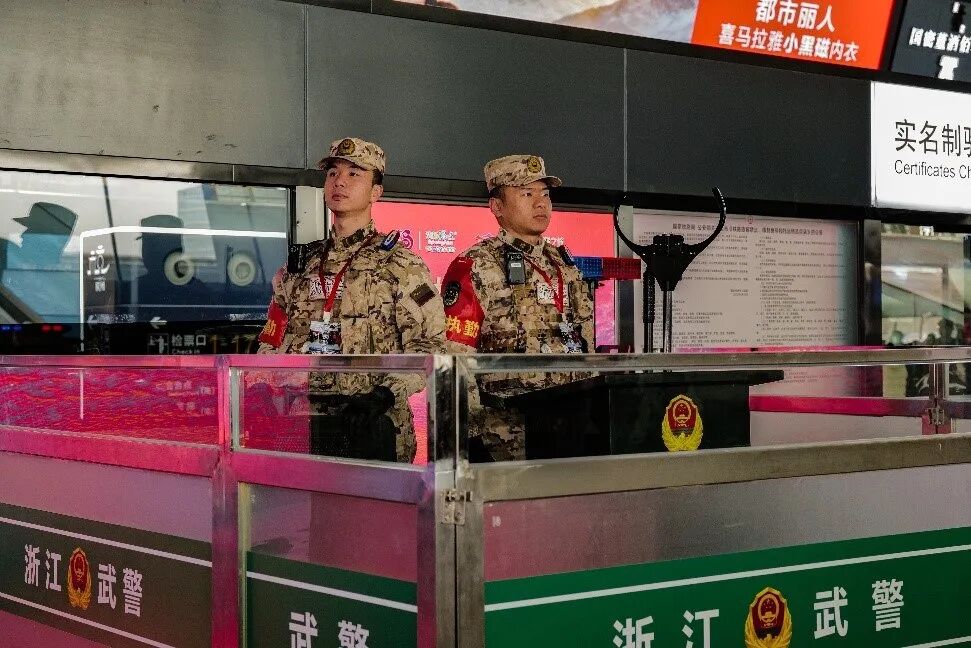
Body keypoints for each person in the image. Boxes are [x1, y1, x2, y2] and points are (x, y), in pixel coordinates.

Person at [257, 137, 446, 462]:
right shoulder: (302, 265)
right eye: (333, 173)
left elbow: (431, 344)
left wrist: (385, 394)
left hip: (372, 425)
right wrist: (264, 384)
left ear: (376, 192)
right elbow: (271, 338)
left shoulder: (400, 264)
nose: (339, 181)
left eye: (354, 174)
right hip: (304, 425)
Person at [441, 154, 594, 460]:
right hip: (507, 438)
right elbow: (455, 356)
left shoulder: (563, 264)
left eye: (545, 194)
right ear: (497, 206)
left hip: (570, 427)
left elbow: (586, 341)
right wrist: (471, 436)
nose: (541, 203)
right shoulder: (475, 265)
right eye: (526, 194)